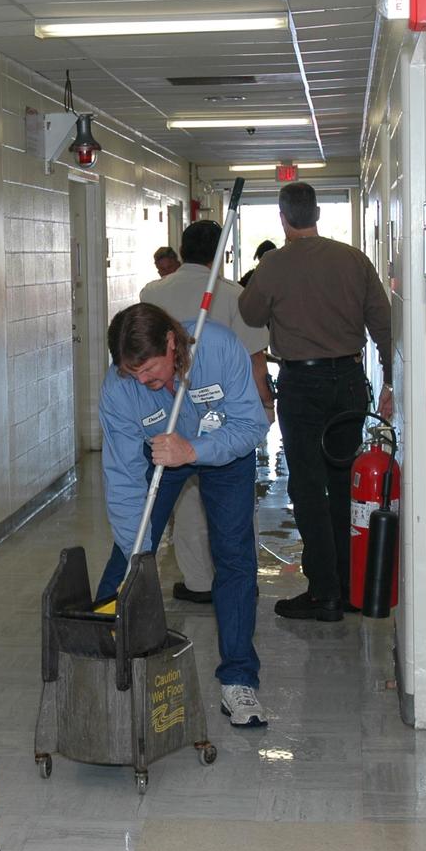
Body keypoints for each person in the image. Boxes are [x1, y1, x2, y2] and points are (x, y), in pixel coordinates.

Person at [96, 302, 270, 726]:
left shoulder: (217, 347)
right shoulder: (119, 389)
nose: (143, 381)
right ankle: (103, 658)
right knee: (131, 549)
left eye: (150, 370)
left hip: (225, 448)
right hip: (158, 453)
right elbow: (121, 477)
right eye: (131, 373)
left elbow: (252, 427)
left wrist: (194, 451)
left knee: (233, 555)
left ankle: (238, 680)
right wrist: (135, 548)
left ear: (172, 343)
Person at [239, 182, 394, 622]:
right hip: (347, 379)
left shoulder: (273, 264)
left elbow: (250, 315)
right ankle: (348, 585)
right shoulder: (353, 260)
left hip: (301, 383)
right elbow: (383, 323)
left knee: (307, 485)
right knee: (344, 483)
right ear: (319, 214)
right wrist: (390, 384)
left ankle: (323, 591)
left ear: (283, 218)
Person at [141, 221, 275, 604]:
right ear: (221, 252)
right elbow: (255, 359)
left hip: (169, 410)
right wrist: (266, 405)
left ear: (182, 251)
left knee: (182, 502)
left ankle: (198, 582)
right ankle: (233, 579)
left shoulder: (152, 291)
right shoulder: (233, 294)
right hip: (223, 414)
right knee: (232, 500)